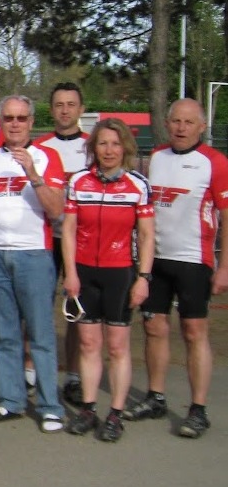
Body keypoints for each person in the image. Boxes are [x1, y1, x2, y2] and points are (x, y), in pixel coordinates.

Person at [128, 98, 228, 439]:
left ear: (202, 127)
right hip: (156, 260)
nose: (181, 128)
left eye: (189, 122)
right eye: (176, 121)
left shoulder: (214, 162)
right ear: (168, 124)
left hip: (193, 261)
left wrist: (224, 266)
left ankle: (198, 409)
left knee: (193, 332)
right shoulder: (156, 156)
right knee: (154, 328)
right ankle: (155, 397)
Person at [0, 95, 66, 432]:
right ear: (2, 122)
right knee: (6, 333)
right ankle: (11, 400)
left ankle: (49, 405)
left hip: (34, 254)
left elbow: (56, 209)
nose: (15, 124)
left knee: (41, 333)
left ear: (31, 121)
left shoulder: (47, 156)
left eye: (21, 118)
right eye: (9, 118)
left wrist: (32, 172)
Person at [62, 119, 154, 442]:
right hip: (85, 272)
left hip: (121, 272)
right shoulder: (78, 182)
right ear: (93, 148)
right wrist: (70, 273)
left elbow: (146, 235)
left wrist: (143, 278)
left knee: (116, 347)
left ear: (125, 147)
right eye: (102, 144)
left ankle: (115, 414)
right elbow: (70, 230)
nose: (109, 150)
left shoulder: (138, 185)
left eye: (115, 144)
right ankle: (88, 408)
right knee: (88, 344)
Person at [35, 82, 90, 405]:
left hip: (80, 240)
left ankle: (74, 375)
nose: (65, 110)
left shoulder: (93, 146)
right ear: (52, 109)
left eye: (71, 104)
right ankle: (32, 371)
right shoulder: (39, 147)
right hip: (44, 237)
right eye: (59, 105)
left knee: (76, 311)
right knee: (38, 308)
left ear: (80, 110)